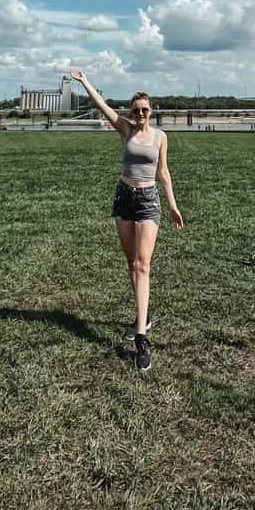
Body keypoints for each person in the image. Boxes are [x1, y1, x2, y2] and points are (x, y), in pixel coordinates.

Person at [68, 69, 184, 371]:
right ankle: (141, 316)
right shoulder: (125, 129)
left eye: (145, 109)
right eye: (136, 110)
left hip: (149, 201)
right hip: (124, 197)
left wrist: (172, 205)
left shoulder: (161, 137)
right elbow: (101, 105)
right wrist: (84, 82)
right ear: (131, 112)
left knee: (144, 264)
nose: (141, 113)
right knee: (132, 263)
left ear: (152, 111)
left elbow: (164, 173)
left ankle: (142, 338)